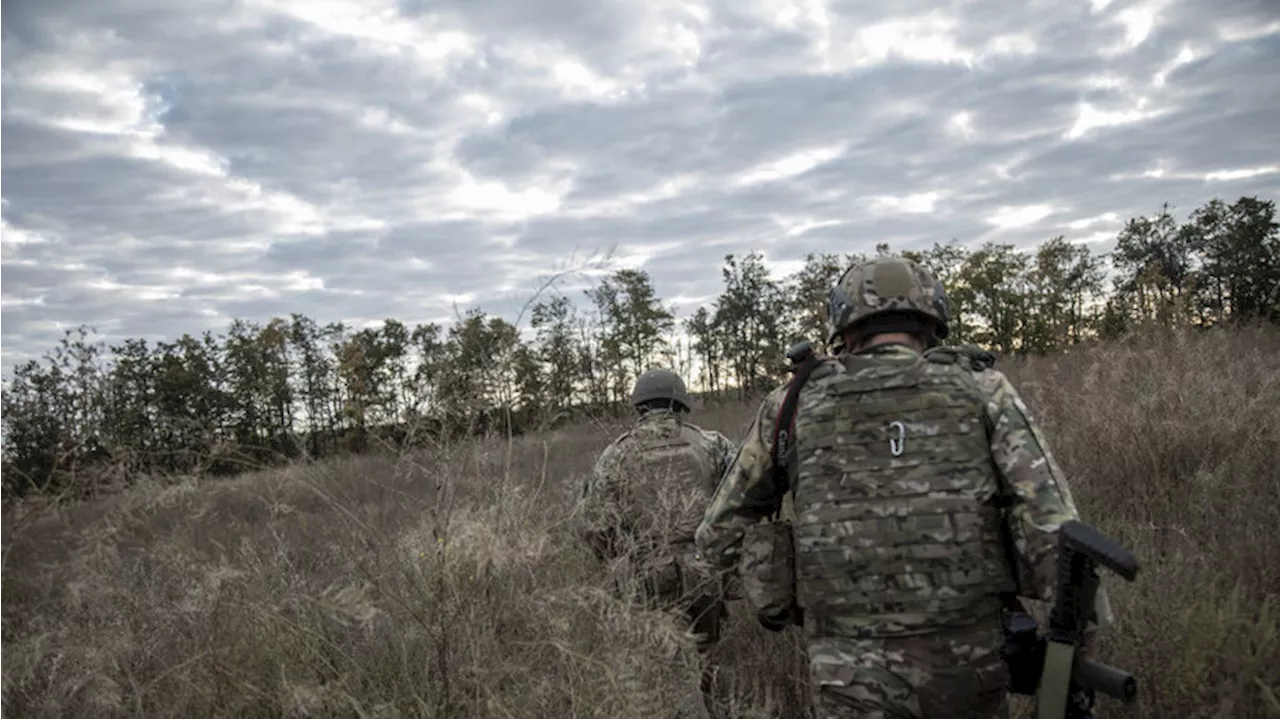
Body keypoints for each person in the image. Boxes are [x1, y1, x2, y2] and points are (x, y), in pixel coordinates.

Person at [693, 256, 1114, 718]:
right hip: (969, 662)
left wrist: (777, 588)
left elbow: (717, 536)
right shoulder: (982, 389)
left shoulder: (791, 404)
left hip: (846, 668)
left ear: (844, 327)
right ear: (931, 322)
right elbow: (1053, 526)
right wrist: (1073, 659)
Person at [578, 367, 740, 716]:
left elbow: (593, 526)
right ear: (680, 402)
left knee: (666, 670)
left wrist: (622, 556)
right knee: (708, 659)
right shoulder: (712, 444)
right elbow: (742, 499)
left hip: (648, 578)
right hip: (706, 574)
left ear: (639, 407)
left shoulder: (616, 455)